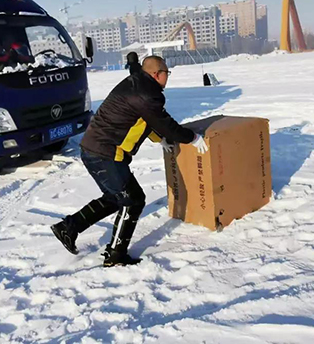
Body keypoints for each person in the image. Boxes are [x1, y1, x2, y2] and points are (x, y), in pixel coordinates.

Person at [51, 56, 208, 266]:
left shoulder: (138, 83)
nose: (167, 77)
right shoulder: (147, 94)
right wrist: (192, 138)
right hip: (106, 154)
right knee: (133, 200)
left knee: (115, 197)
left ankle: (68, 228)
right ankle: (116, 254)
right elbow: (164, 124)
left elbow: (145, 120)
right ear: (156, 74)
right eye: (166, 73)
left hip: (93, 149)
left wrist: (160, 140)